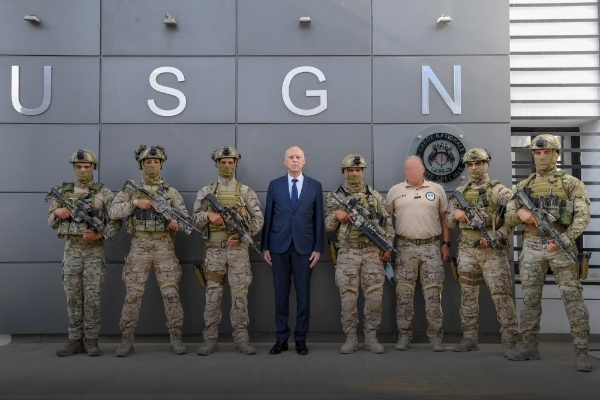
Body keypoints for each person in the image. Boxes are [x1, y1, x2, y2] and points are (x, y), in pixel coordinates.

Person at [505, 134, 592, 372]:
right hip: (532, 246)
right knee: (530, 301)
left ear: (556, 154)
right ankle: (530, 347)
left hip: (561, 246)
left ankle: (582, 351)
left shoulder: (571, 183)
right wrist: (521, 214)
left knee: (572, 299)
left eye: (546, 152)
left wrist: (563, 239)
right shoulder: (525, 185)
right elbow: (508, 213)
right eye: (537, 152)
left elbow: (583, 217)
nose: (541, 156)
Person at [108, 145, 187, 356]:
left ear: (161, 164)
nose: (152, 165)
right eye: (147, 162)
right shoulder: (130, 190)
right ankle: (126, 339)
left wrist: (176, 224)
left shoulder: (171, 192)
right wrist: (134, 203)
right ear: (141, 164)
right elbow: (113, 211)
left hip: (164, 248)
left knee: (171, 294)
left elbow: (184, 218)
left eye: (155, 161)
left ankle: (176, 337)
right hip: (139, 247)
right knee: (133, 295)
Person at [48, 149, 121, 357]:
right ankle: (74, 340)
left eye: (86, 167)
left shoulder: (103, 193)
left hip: (94, 253)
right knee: (72, 298)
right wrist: (56, 212)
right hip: (71, 252)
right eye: (78, 167)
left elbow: (116, 222)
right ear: (74, 167)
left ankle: (91, 341)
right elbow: (50, 223)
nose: (82, 170)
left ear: (93, 168)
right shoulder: (62, 192)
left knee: (92, 298)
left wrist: (100, 236)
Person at [192, 146, 264, 356]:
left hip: (238, 252)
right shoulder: (206, 192)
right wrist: (208, 216)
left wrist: (242, 235)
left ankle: (241, 340)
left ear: (235, 164)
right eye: (222, 162)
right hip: (214, 252)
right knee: (212, 296)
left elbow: (259, 219)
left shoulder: (245, 192)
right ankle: (209, 341)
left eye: (230, 162)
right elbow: (194, 219)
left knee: (240, 297)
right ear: (217, 164)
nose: (226, 165)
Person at [446, 148, 518, 356]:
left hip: (493, 253)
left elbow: (513, 221)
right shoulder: (460, 193)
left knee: (501, 296)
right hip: (467, 251)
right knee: (468, 295)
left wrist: (496, 236)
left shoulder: (501, 192)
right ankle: (469, 338)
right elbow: (449, 220)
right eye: (470, 164)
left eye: (478, 163)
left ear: (487, 164)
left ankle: (510, 342)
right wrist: (457, 214)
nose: (474, 167)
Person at [324, 154, 394, 354]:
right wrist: (336, 215)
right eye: (350, 170)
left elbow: (388, 225)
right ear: (344, 172)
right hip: (347, 253)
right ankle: (351, 338)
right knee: (348, 298)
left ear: (363, 171)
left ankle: (371, 338)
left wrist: (387, 247)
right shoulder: (335, 197)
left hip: (372, 253)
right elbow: (328, 226)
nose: (354, 173)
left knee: (374, 297)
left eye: (358, 170)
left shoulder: (375, 197)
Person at [262, 146, 324, 355]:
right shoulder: (275, 185)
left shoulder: (315, 186)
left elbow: (318, 220)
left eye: (298, 157)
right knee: (281, 295)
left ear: (304, 160)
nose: (295, 160)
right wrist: (265, 246)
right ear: (285, 161)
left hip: (304, 249)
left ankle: (300, 338)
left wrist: (318, 248)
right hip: (278, 248)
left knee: (303, 296)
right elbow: (268, 217)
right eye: (291, 157)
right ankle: (281, 339)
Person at [385, 156, 451, 352]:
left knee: (433, 294)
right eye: (407, 169)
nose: (411, 171)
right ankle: (404, 336)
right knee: (404, 293)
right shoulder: (395, 191)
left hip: (431, 247)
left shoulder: (436, 189)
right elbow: (386, 222)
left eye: (414, 168)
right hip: (404, 247)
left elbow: (445, 218)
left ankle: (436, 337)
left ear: (423, 169)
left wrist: (446, 244)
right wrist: (387, 246)